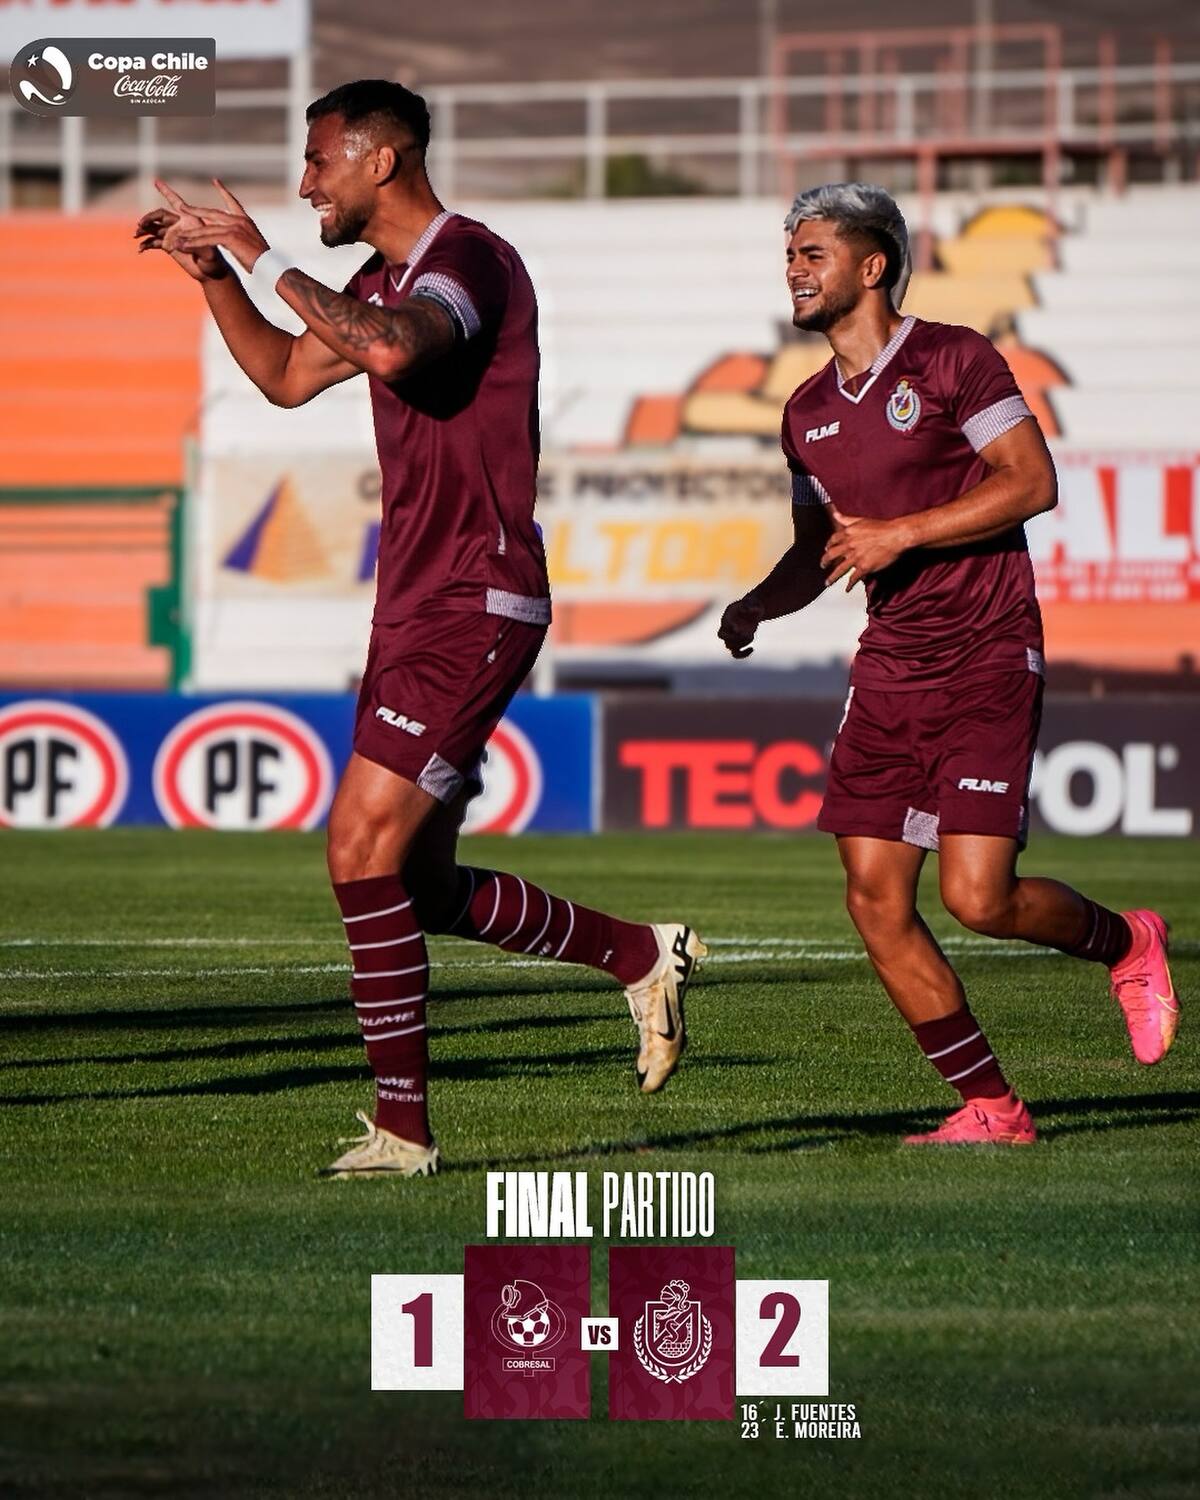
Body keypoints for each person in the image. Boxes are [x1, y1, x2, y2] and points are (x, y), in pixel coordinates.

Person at [136, 79, 705, 1178]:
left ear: (379, 159)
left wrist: (260, 253)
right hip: (411, 603)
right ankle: (643, 956)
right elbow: (288, 375)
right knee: (419, 884)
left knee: (356, 850)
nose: (306, 184)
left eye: (317, 163)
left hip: (475, 600)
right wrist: (214, 276)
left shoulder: (469, 260)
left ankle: (405, 1130)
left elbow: (395, 350)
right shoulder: (378, 279)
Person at [718, 182, 1179, 1146]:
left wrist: (903, 534)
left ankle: (1129, 941)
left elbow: (1032, 482)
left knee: (980, 898)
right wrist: (762, 601)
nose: (793, 269)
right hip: (890, 665)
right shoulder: (805, 412)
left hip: (984, 651)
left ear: (872, 264)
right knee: (874, 900)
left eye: (813, 254)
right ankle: (992, 1107)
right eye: (789, 254)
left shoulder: (954, 358)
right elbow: (825, 549)